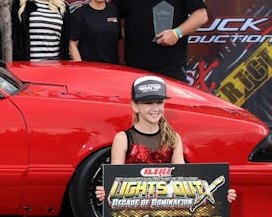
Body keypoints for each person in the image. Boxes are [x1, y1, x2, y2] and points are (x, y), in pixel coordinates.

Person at [95, 76, 236, 202]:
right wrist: (105, 192)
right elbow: (114, 181)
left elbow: (184, 179)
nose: (155, 108)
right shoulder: (123, 139)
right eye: (148, 103)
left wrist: (219, 193)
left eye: (159, 102)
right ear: (135, 107)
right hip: (133, 211)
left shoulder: (173, 138)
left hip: (167, 210)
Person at [69, 0, 120, 64]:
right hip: (90, 69)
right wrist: (80, 67)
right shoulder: (80, 13)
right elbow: (73, 44)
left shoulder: (114, 10)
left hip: (112, 68)